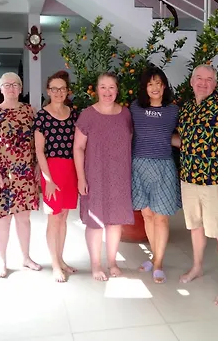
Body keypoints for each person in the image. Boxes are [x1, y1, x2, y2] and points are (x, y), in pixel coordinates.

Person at [177, 65, 218, 306]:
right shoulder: (186, 109)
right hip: (188, 179)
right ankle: (197, 267)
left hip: (214, 182)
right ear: (191, 81)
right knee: (195, 227)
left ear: (215, 83)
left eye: (209, 79)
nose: (203, 83)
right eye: (199, 78)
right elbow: (183, 141)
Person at [73, 72, 134, 281]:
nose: (107, 92)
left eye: (111, 87)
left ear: (117, 90)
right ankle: (96, 265)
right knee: (95, 222)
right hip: (95, 176)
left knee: (115, 221)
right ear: (96, 90)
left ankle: (112, 262)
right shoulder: (87, 115)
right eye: (103, 87)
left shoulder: (125, 114)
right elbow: (78, 148)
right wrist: (81, 178)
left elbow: (128, 141)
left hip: (120, 177)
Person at [0, 72, 41, 278]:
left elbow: (38, 142)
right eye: (7, 85)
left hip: (25, 174)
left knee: (24, 218)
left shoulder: (30, 111)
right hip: (1, 175)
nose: (12, 88)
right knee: (3, 220)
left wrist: (38, 165)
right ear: (1, 89)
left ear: (21, 88)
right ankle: (1, 261)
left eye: (16, 85)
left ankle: (26, 257)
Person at [131, 66, 181, 284]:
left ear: (164, 86)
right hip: (139, 166)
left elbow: (176, 137)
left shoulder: (173, 110)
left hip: (163, 166)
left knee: (161, 217)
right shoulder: (135, 108)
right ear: (144, 87)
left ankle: (158, 263)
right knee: (147, 215)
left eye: (158, 83)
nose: (154, 88)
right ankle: (154, 256)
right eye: (150, 84)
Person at [34, 71, 79, 283]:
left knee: (64, 217)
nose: (59, 92)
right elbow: (39, 151)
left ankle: (61, 260)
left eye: (62, 88)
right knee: (54, 217)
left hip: (71, 169)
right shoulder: (42, 116)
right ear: (48, 91)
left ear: (67, 91)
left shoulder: (74, 114)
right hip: (52, 170)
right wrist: (48, 179)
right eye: (54, 89)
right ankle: (54, 264)